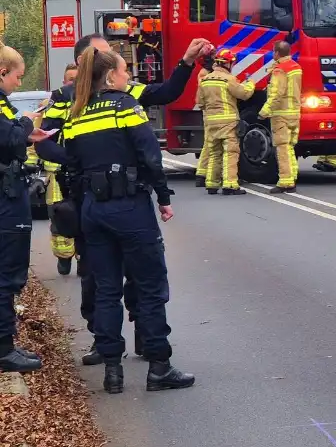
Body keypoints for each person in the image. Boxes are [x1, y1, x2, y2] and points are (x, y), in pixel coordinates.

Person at [42, 33, 210, 366]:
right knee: (98, 279)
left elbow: (166, 93)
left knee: (129, 280)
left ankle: (140, 343)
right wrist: (77, 163)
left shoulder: (124, 92)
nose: (112, 64)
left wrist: (187, 62)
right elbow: (45, 141)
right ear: (85, 63)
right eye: (103, 56)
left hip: (101, 204)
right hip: (93, 197)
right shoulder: (66, 98)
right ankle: (106, 345)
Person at [0, 46, 55, 373]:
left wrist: (24, 133)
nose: (19, 83)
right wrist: (25, 122)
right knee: (7, 273)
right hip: (6, 201)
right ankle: (5, 348)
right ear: (2, 71)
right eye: (18, 76)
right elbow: (8, 138)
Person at [197, 48, 255, 195]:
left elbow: (200, 102)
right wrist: (250, 84)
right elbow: (244, 94)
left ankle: (211, 184)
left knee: (214, 152)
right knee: (230, 152)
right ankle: (230, 184)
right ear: (228, 64)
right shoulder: (228, 79)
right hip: (228, 121)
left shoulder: (205, 80)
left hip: (210, 122)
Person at [46, 64, 79, 275]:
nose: (73, 83)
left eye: (77, 79)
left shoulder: (89, 104)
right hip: (55, 174)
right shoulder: (53, 104)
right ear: (63, 81)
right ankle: (63, 258)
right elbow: (39, 136)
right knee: (60, 218)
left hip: (79, 172)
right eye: (69, 79)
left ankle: (83, 257)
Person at [259, 40, 301, 194]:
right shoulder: (296, 67)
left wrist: (263, 112)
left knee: (282, 148)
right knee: (290, 147)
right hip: (294, 113)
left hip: (281, 114)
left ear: (276, 53)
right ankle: (292, 177)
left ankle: (285, 182)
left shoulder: (280, 70)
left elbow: (277, 94)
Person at [194, 56, 214, 187]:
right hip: (211, 111)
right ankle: (209, 175)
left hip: (209, 111)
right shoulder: (205, 75)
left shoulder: (204, 74)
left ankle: (201, 174)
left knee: (208, 143)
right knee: (212, 144)